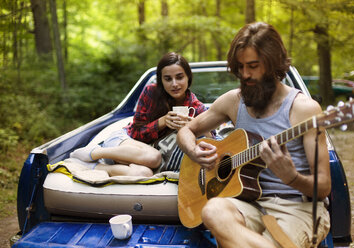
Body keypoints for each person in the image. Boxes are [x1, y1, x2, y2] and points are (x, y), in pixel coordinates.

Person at [176, 22, 331, 248]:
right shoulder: (233, 100)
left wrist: (292, 177)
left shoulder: (305, 110)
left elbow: (324, 186)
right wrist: (193, 150)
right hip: (248, 203)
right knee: (213, 210)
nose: (245, 74)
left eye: (253, 66)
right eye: (239, 67)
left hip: (297, 208)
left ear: (273, 63)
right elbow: (186, 130)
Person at [71, 52, 210, 177]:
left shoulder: (197, 108)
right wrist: (162, 121)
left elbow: (213, 140)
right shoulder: (151, 93)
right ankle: (94, 153)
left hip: (143, 161)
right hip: (122, 144)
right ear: (161, 80)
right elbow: (136, 133)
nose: (174, 84)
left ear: (188, 77)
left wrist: (192, 129)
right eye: (168, 79)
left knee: (143, 173)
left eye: (179, 77)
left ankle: (95, 166)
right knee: (154, 157)